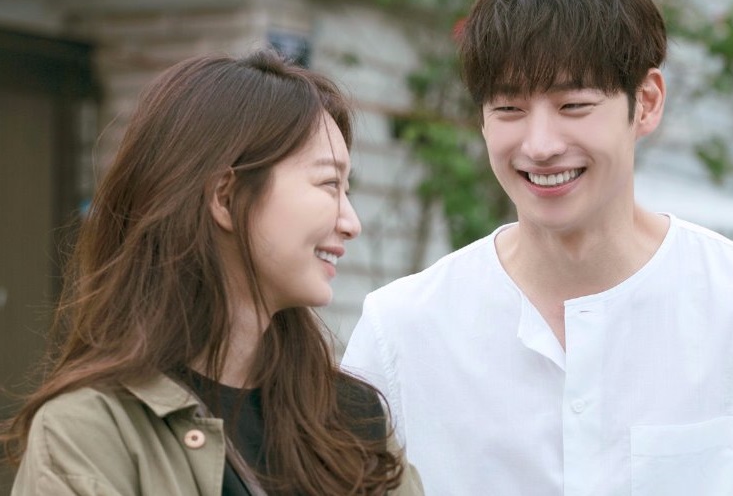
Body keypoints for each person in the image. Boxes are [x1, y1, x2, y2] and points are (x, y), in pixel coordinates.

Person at [341, 0, 733, 495]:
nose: (540, 145)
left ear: (646, 103)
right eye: (509, 109)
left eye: (574, 105)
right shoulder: (403, 330)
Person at [2, 48, 422, 495]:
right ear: (225, 197)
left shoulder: (354, 420)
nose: (351, 223)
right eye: (328, 184)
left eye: (347, 190)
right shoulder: (91, 432)